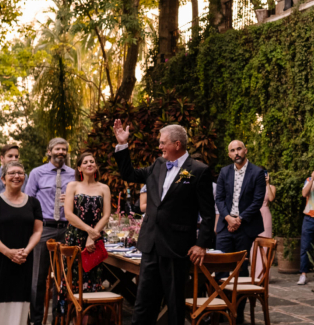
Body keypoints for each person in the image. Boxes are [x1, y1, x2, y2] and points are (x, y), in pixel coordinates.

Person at [112, 121, 214, 325]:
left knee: (174, 305)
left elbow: (208, 213)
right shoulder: (158, 164)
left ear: (177, 144)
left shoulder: (199, 170)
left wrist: (201, 244)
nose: (159, 147)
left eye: (162, 143)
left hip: (177, 248)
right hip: (151, 245)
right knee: (143, 303)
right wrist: (122, 145)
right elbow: (129, 174)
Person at [0, 161, 43, 325]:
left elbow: (37, 231)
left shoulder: (33, 203)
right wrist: (9, 252)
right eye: (12, 173)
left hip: (23, 261)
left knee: (20, 302)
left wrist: (26, 251)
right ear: (3, 179)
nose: (17, 176)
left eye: (20, 173)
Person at [24, 137, 76, 325]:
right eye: (57, 149)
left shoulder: (74, 174)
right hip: (43, 228)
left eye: (64, 149)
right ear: (49, 151)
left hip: (66, 229)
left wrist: (72, 199)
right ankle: (36, 320)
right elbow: (29, 202)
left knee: (62, 279)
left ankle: (59, 319)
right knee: (38, 277)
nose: (61, 152)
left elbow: (81, 198)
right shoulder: (37, 173)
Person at [215, 140, 266, 323]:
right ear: (229, 154)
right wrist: (228, 218)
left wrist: (239, 219)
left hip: (246, 226)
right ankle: (221, 312)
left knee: (240, 269)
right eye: (232, 150)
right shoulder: (224, 172)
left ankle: (237, 314)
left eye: (238, 149)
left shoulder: (258, 173)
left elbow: (257, 201)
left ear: (245, 150)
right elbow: (219, 198)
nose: (236, 152)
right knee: (220, 267)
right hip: (225, 225)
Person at [63, 152, 111, 293]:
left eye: (92, 161)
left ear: (96, 166)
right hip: (75, 236)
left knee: (93, 276)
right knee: (74, 276)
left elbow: (106, 215)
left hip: (95, 239)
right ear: (79, 168)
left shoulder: (104, 188)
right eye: (85, 162)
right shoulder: (73, 185)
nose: (89, 164)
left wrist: (92, 236)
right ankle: (73, 313)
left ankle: (90, 314)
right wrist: (89, 231)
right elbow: (68, 214)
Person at [252, 167, 276, 279]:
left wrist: (267, 183)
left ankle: (263, 274)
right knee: (253, 246)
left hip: (265, 215)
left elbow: (271, 198)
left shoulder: (271, 187)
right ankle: (254, 272)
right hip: (253, 215)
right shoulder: (253, 186)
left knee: (265, 245)